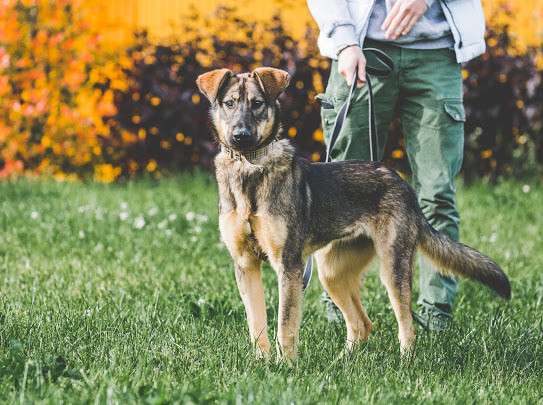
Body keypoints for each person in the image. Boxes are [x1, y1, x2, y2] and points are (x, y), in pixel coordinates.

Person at [306, 0, 486, 330]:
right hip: (361, 49)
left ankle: (436, 312)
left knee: (437, 193)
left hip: (436, 53)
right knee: (339, 190)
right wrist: (345, 40)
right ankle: (340, 306)